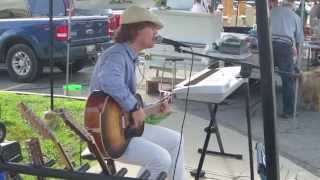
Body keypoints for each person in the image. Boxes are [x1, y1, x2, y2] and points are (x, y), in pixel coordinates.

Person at [89, 5, 187, 180]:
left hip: (124, 131)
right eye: (152, 27)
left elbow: (128, 110)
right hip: (111, 138)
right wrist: (134, 107)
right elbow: (109, 80)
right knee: (161, 159)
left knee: (176, 141)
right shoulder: (117, 55)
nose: (156, 32)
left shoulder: (130, 57)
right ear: (136, 30)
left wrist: (153, 109)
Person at [270, 0, 304, 118]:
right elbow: (299, 40)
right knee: (288, 80)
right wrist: (296, 55)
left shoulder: (273, 11)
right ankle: (288, 112)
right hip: (285, 47)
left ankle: (268, 109)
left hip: (269, 46)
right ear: (292, 6)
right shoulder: (295, 16)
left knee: (268, 77)